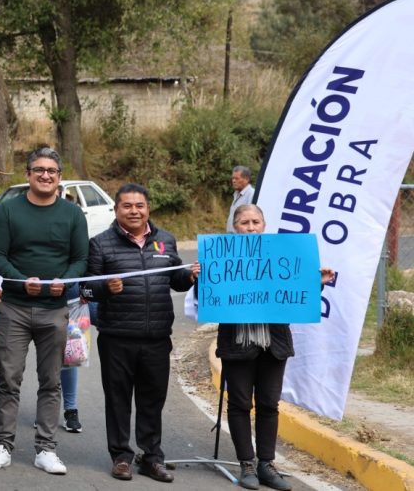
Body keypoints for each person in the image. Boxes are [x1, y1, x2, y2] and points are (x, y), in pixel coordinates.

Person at [0, 147, 87, 475]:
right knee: (8, 379)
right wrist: (17, 278)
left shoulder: (73, 215)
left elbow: (80, 260)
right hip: (14, 307)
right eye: (39, 170)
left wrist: (66, 281)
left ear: (59, 177)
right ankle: (2, 445)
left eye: (52, 171)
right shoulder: (9, 211)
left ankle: (46, 448)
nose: (45, 175)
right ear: (27, 174)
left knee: (51, 381)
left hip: (55, 310)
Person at [86, 183, 199, 483]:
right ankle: (121, 457)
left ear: (148, 208)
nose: (134, 211)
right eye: (127, 206)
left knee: (152, 400)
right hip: (116, 337)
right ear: (116, 209)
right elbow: (86, 288)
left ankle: (152, 458)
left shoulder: (165, 241)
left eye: (139, 205)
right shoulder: (100, 244)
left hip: (157, 338)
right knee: (118, 399)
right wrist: (104, 287)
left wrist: (189, 275)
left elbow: (176, 281)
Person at [220, 204, 335, 491]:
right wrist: (200, 278)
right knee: (240, 403)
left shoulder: (282, 254)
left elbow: (295, 293)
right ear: (235, 227)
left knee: (270, 404)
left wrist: (316, 284)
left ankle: (266, 464)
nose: (250, 227)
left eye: (255, 221)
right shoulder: (222, 257)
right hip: (237, 342)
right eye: (244, 222)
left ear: (264, 224)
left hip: (274, 343)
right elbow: (206, 299)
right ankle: (246, 463)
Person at [227, 166, 256, 233]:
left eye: (237, 178)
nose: (233, 181)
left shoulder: (251, 194)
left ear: (246, 179)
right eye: (233, 178)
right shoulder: (236, 194)